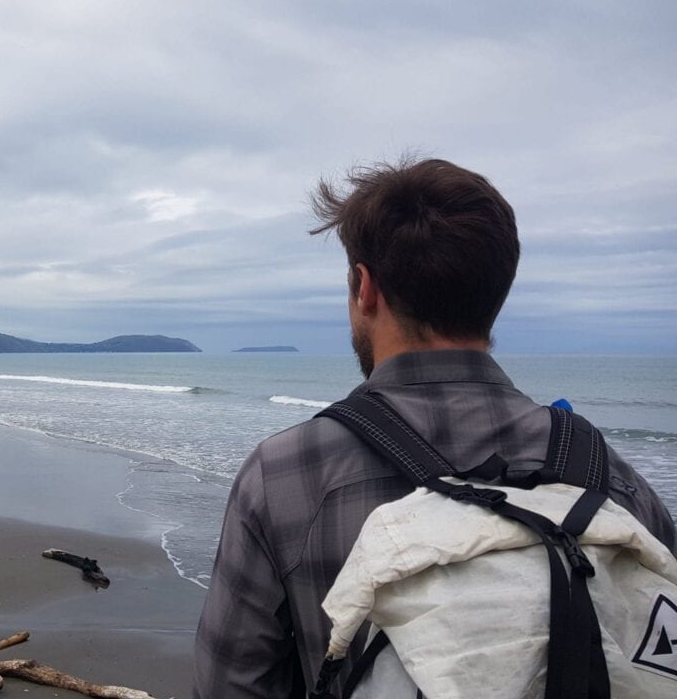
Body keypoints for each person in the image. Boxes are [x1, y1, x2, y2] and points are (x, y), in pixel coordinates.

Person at [193, 158, 677, 698]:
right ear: (496, 294)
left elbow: (232, 685)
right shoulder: (612, 479)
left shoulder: (286, 475)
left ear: (364, 288)